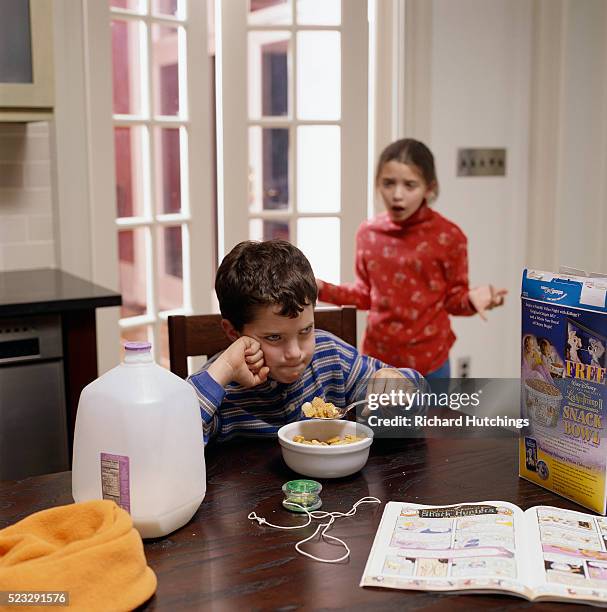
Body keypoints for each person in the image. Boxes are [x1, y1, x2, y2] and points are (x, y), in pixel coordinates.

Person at [188, 240, 427, 444]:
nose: (294, 353)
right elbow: (171, 439)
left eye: (305, 331)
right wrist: (225, 368)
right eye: (274, 337)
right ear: (233, 332)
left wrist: (399, 387)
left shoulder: (331, 356)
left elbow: (411, 415)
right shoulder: (220, 386)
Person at [316, 138, 507, 379]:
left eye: (410, 185)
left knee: (432, 418)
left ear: (429, 188)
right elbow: (365, 296)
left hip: (431, 364)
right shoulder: (368, 234)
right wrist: (321, 288)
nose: (397, 195)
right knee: (378, 419)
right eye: (388, 183)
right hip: (378, 362)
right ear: (377, 184)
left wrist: (473, 299)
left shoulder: (449, 236)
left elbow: (453, 300)